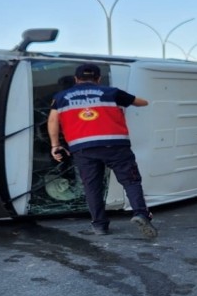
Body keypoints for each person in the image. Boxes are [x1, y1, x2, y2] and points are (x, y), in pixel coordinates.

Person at [47, 63, 157, 238]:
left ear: (76, 79)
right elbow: (141, 103)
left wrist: (55, 145)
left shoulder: (61, 97)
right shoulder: (111, 92)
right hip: (115, 145)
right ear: (98, 79)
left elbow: (53, 121)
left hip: (83, 149)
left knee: (92, 187)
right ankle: (140, 214)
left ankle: (99, 225)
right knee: (131, 181)